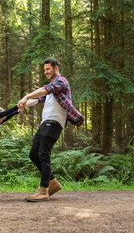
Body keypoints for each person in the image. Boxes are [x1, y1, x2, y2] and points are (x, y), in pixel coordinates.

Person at [17, 58, 84, 202]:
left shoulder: (61, 81)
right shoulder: (50, 87)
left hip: (54, 121)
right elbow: (38, 99)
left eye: (48, 69)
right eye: (44, 70)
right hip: (45, 122)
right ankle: (52, 183)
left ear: (55, 68)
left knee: (43, 153)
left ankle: (43, 190)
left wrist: (26, 96)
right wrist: (23, 104)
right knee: (33, 154)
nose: (46, 72)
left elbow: (46, 90)